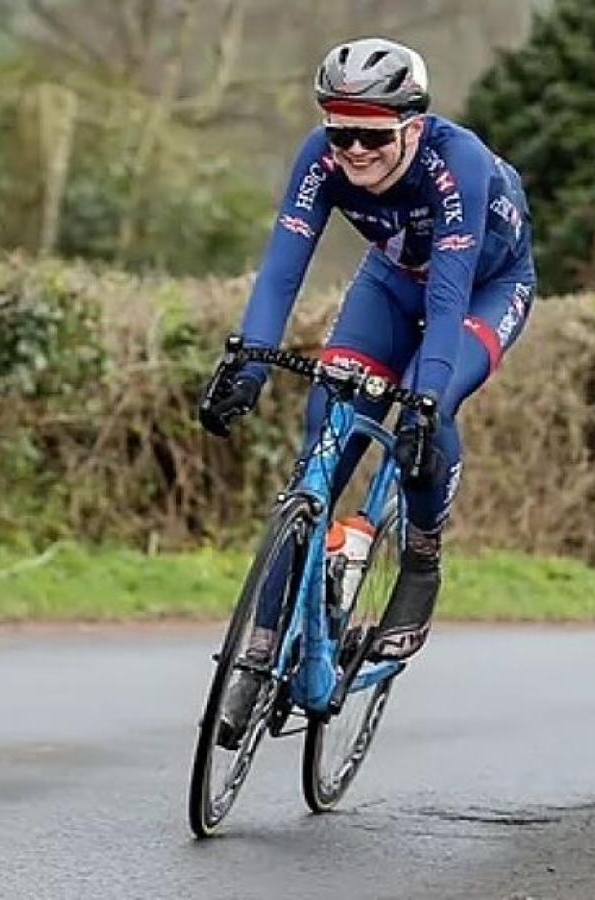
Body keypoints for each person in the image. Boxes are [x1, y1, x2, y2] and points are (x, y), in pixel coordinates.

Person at [198, 38, 534, 745]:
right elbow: (280, 274)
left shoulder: (457, 165)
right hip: (387, 283)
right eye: (339, 129)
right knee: (319, 456)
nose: (353, 149)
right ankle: (258, 653)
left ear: (413, 125)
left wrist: (423, 401)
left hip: (479, 289)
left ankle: (421, 555)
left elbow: (445, 305)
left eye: (372, 134)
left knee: (425, 403)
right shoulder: (320, 158)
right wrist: (248, 366)